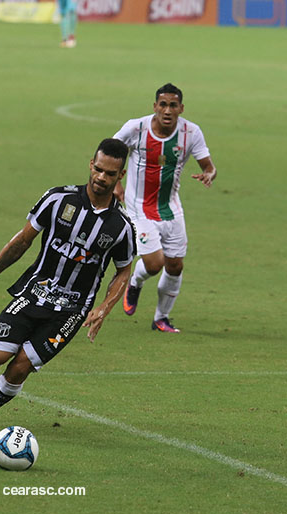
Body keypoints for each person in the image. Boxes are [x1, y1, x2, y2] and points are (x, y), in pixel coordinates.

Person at [0, 138, 136, 439]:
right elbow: (22, 242)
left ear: (121, 175)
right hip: (34, 293)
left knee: (20, 367)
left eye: (110, 173)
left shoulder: (121, 227)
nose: (102, 178)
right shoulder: (58, 200)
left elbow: (123, 271)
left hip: (71, 311)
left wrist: (103, 308)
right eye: (99, 169)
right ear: (91, 165)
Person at [114, 83, 217, 333]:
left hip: (171, 209)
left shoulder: (191, 133)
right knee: (154, 263)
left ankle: (161, 318)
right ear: (155, 107)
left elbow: (208, 165)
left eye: (173, 105)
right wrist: (115, 184)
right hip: (138, 209)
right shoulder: (135, 128)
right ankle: (135, 283)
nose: (167, 110)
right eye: (163, 104)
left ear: (181, 108)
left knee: (175, 266)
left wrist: (209, 174)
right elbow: (110, 151)